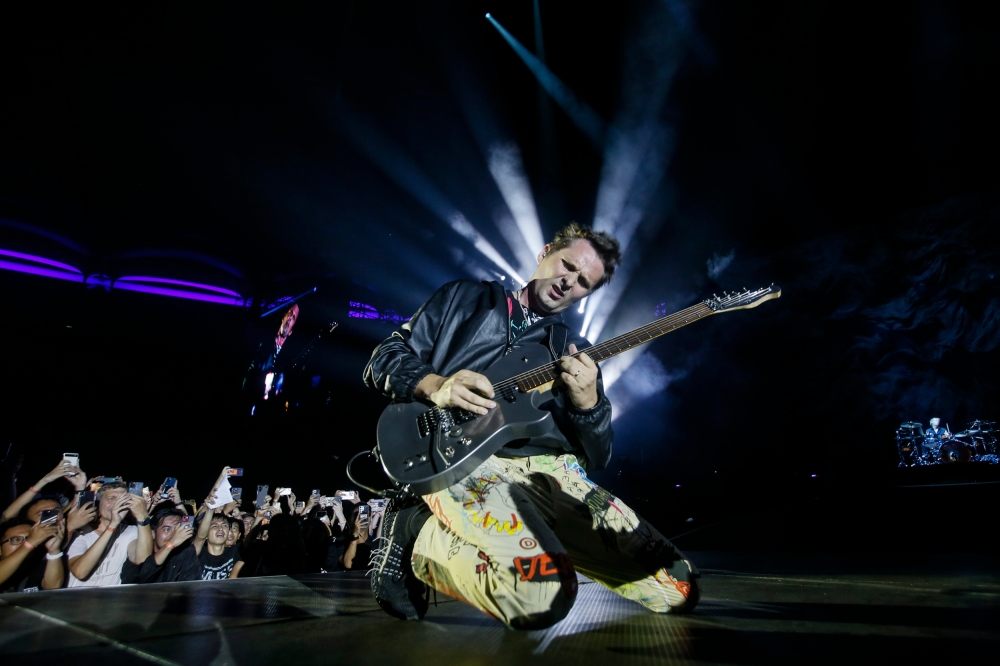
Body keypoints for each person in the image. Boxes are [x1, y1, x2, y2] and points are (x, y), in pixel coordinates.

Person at [364, 223, 699, 629]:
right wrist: (437, 385)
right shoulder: (465, 297)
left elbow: (598, 455)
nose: (569, 281)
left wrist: (588, 403)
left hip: (549, 473)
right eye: (567, 265)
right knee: (540, 598)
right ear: (545, 253)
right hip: (463, 461)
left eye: (583, 282)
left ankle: (536, 538)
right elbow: (384, 357)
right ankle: (416, 533)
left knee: (678, 587)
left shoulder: (575, 351)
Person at [67, 481, 153, 587]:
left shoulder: (130, 531)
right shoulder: (81, 532)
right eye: (111, 498)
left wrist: (143, 517)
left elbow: (142, 560)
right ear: (98, 502)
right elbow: (80, 572)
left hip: (111, 596)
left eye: (123, 499)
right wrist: (112, 525)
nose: (117, 504)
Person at [121, 508, 200, 584]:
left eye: (177, 530)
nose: (174, 535)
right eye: (167, 529)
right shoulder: (140, 552)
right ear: (152, 534)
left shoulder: (186, 552)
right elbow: (138, 579)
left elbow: (191, 584)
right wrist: (170, 544)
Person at [0, 517, 65, 593]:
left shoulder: (39, 564)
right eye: (16, 540)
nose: (23, 544)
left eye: (29, 538)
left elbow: (53, 588)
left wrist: (53, 550)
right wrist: (29, 542)